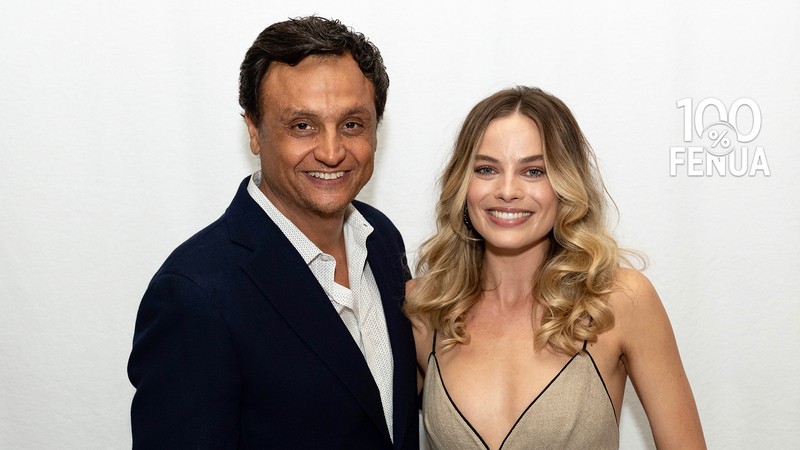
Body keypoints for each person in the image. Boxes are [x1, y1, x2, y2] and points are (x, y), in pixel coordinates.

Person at [127, 16, 418, 449]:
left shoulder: (382, 239)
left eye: (352, 124)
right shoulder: (195, 293)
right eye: (302, 126)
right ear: (254, 130)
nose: (332, 151)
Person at [405, 86, 705, 449]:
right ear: (462, 183)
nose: (507, 190)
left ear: (565, 184)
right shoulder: (426, 309)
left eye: (534, 171)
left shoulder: (619, 301)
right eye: (486, 169)